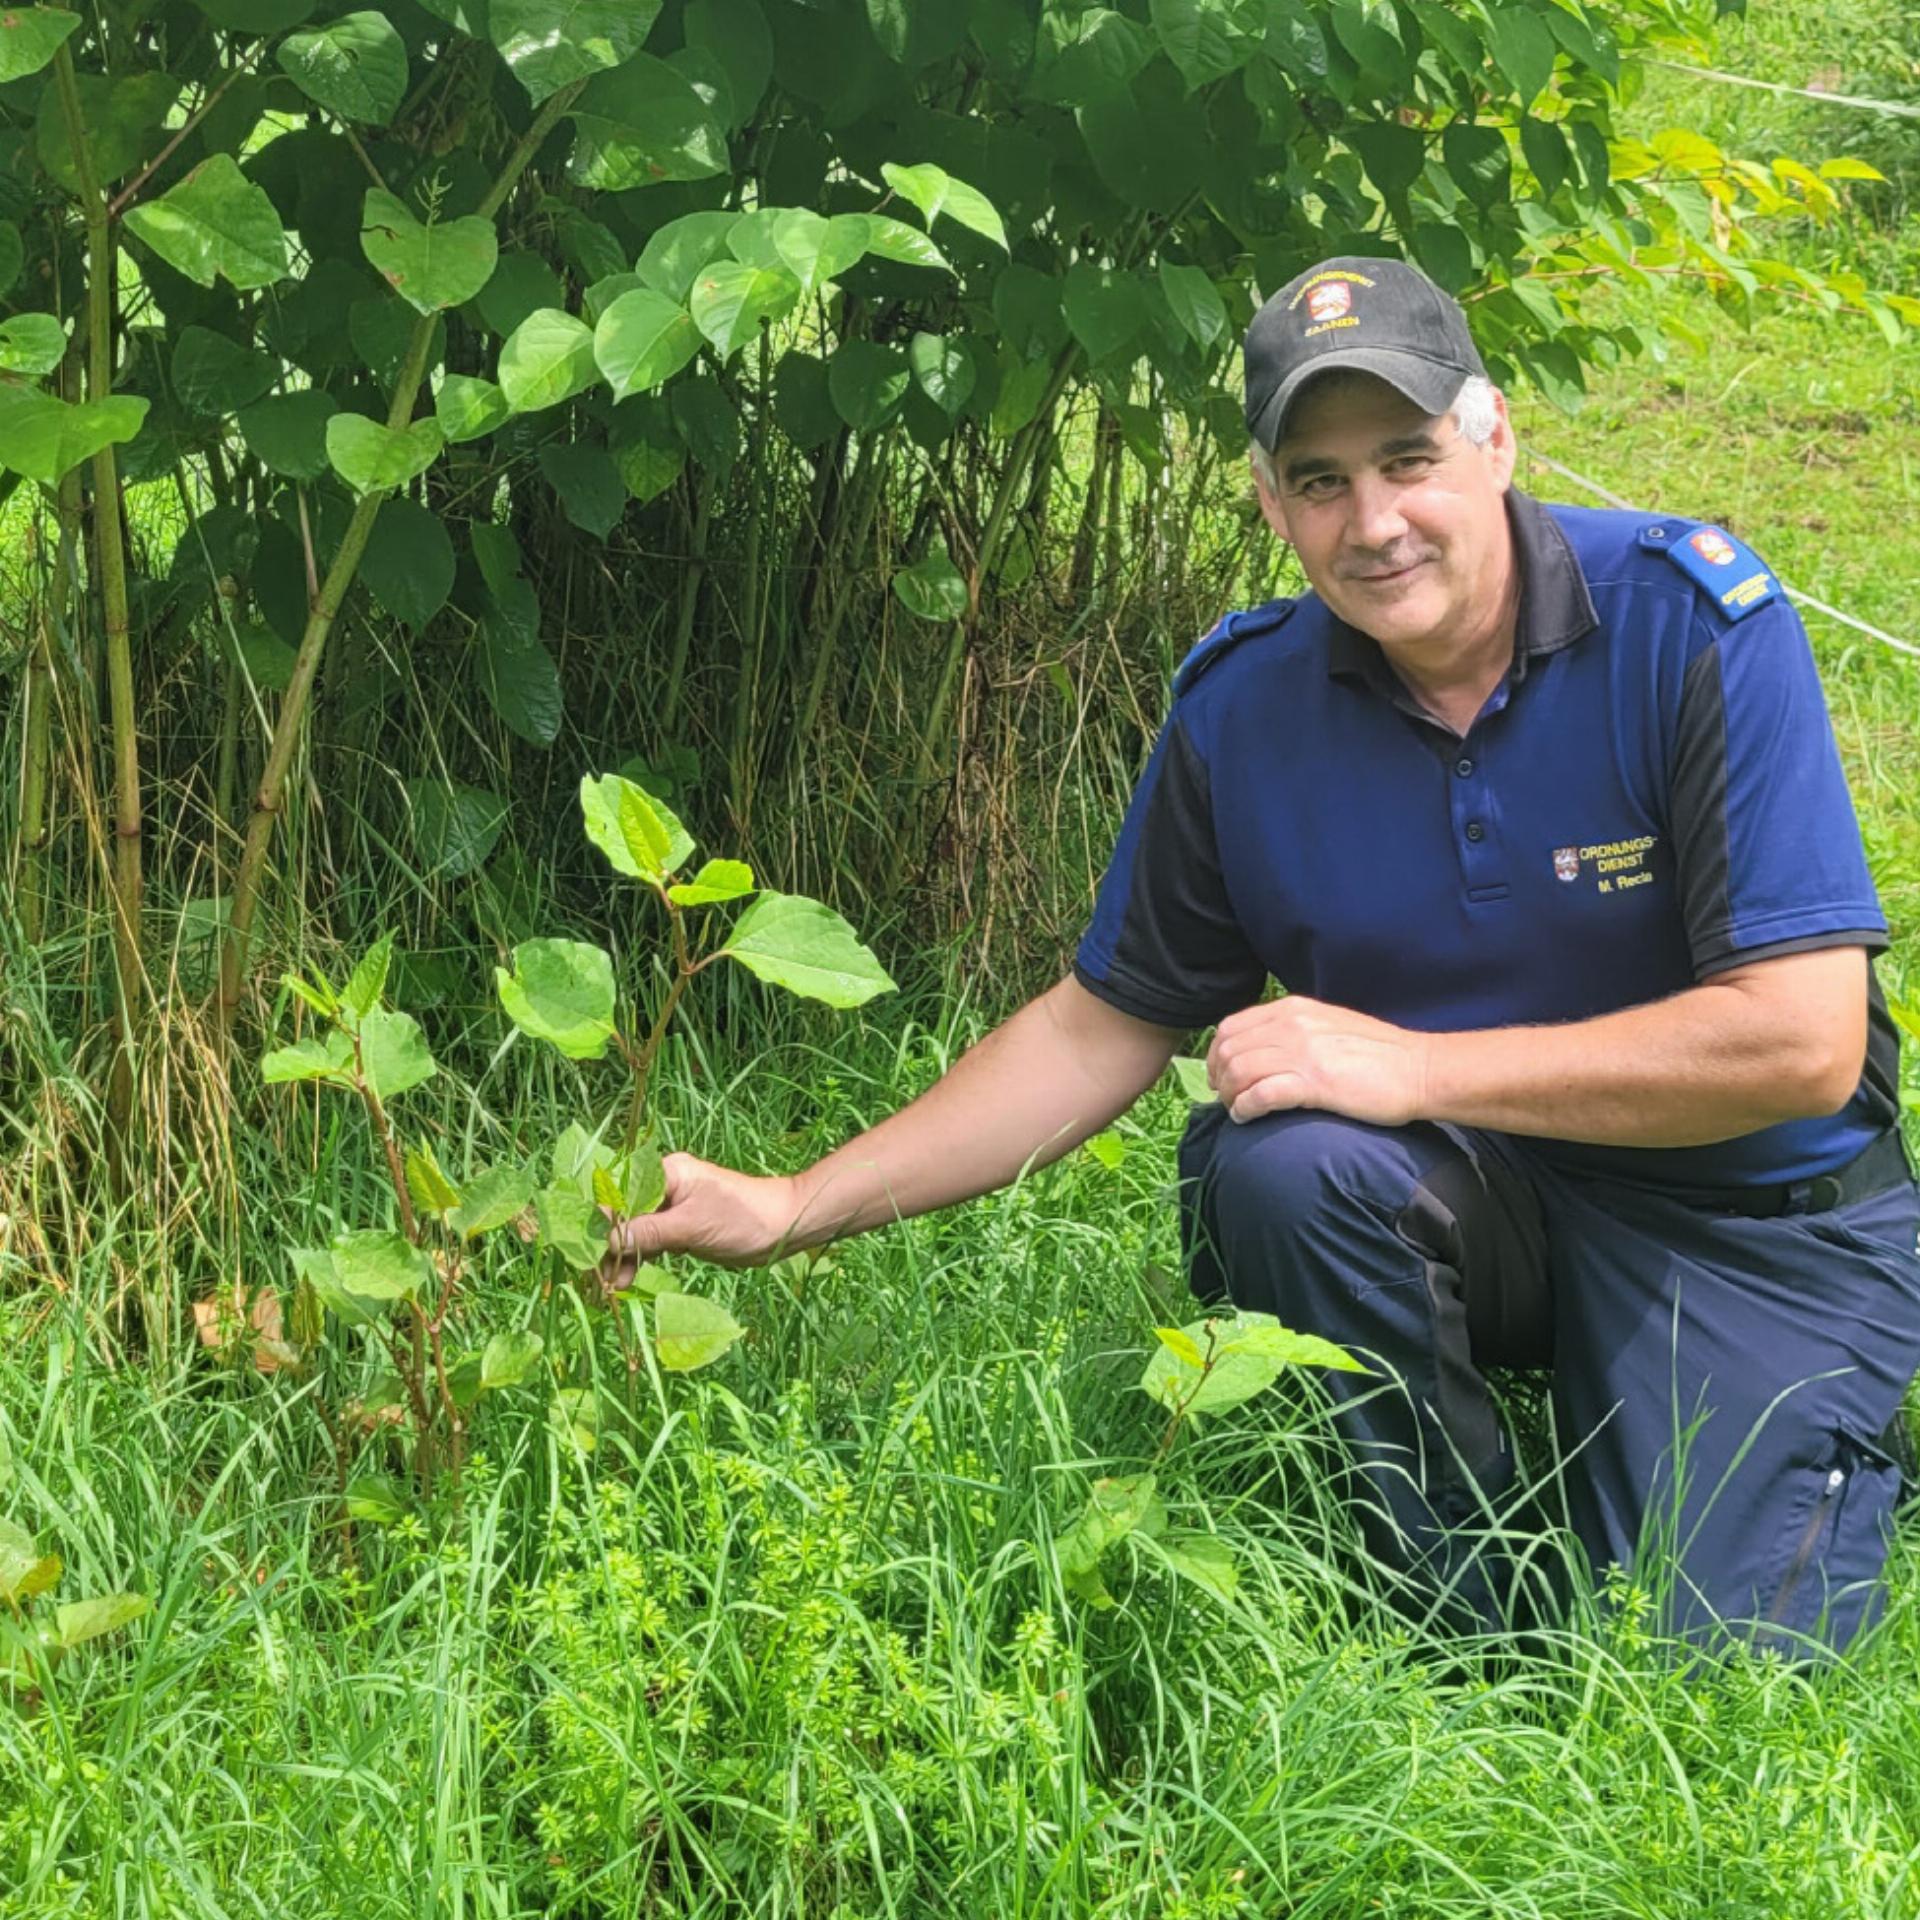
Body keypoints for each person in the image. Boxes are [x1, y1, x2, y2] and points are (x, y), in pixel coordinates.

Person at [610, 255, 1920, 1652]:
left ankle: (1809, 1415)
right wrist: (793, 1205)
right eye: (1321, 479)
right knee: (1277, 1160)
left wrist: (1413, 1065)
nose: (1375, 522)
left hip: (1747, 1218)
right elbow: (1099, 1027)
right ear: (1270, 503)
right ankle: (1445, 1615)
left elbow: (1800, 1042)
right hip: (1489, 1204)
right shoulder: (1243, 711)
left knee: (1709, 1668)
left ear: (1494, 441)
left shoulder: (1689, 625)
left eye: (1408, 458)